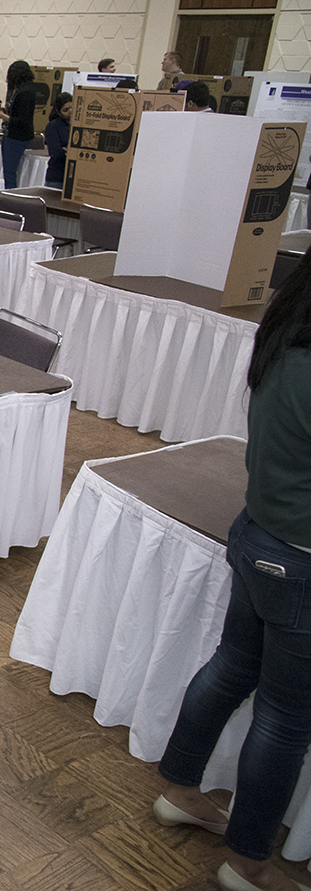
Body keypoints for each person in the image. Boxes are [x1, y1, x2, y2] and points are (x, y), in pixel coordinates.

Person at [153, 252, 311, 891]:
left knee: (231, 667)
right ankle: (248, 862)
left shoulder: (285, 339)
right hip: (298, 558)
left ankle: (180, 789)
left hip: (259, 536)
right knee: (284, 717)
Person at [0, 60, 38, 189]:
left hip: (16, 136)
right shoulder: (28, 89)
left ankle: (9, 194)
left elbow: (21, 120)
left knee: (9, 173)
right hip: (19, 136)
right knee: (11, 172)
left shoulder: (24, 92)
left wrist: (3, 116)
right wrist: (5, 112)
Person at [44, 91, 72, 188]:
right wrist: (69, 151)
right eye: (66, 110)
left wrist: (67, 150)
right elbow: (56, 152)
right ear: (59, 112)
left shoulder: (79, 126)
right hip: (57, 176)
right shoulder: (53, 126)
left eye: (72, 108)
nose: (70, 111)